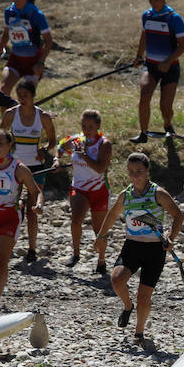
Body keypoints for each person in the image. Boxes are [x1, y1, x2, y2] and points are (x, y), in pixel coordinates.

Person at [100, 152, 184, 342]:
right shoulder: (126, 195)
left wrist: (171, 237)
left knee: (144, 296)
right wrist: (101, 236)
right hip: (132, 247)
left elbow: (178, 215)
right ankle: (127, 306)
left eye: (139, 171)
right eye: (131, 172)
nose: (135, 175)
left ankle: (139, 332)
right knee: (116, 279)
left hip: (155, 250)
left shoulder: (158, 193)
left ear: (147, 170)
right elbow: (112, 215)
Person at [0, 129, 42, 312]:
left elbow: (36, 191)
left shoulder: (19, 168)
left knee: (0, 259)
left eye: (0, 143)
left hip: (9, 218)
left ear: (10, 146)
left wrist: (38, 205)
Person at [0, 76, 57, 262]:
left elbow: (53, 142)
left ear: (33, 96)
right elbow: (0, 137)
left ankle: (32, 249)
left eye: (25, 95)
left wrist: (44, 150)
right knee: (11, 208)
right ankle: (7, 245)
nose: (22, 98)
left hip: (35, 167)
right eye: (19, 95)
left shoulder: (43, 117)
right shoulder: (10, 114)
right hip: (14, 167)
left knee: (34, 209)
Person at [130, 0, 184, 143]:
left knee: (165, 106)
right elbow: (144, 37)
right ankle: (143, 134)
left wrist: (167, 61)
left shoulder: (174, 18)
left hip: (171, 68)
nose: (153, 2)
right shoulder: (146, 16)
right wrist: (138, 56)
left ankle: (167, 125)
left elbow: (182, 46)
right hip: (151, 66)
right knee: (144, 97)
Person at [58, 110, 113, 272]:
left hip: (99, 191)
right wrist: (57, 160)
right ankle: (76, 254)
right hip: (79, 188)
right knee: (76, 220)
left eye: (90, 126)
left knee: (99, 230)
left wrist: (83, 155)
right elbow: (61, 148)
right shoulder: (76, 140)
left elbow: (100, 168)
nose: (86, 129)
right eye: (83, 126)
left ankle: (101, 260)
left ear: (98, 126)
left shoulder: (104, 144)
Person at [0, 0, 52, 95]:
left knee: (25, 96)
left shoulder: (36, 15)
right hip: (16, 59)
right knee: (4, 91)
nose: (17, 1)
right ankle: (6, 113)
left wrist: (41, 62)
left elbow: (48, 41)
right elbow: (5, 35)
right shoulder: (9, 12)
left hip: (33, 62)